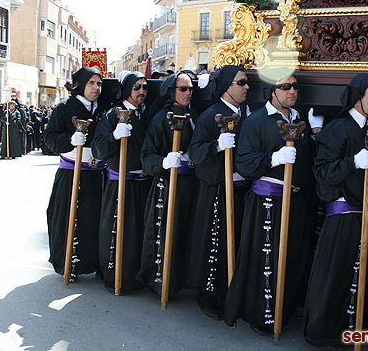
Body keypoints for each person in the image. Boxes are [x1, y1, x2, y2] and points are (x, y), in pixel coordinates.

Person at [223, 70, 316, 335]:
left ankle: (283, 313)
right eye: (285, 87)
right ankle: (261, 316)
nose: (292, 92)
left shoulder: (300, 120)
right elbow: (244, 162)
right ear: (271, 91)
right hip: (268, 203)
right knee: (266, 261)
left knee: (293, 259)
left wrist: (317, 133)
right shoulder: (256, 122)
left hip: (296, 200)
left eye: (295, 87)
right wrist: (275, 158)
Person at [303, 73, 368, 347]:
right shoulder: (338, 129)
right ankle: (324, 331)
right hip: (342, 217)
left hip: (366, 212)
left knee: (362, 274)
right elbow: (322, 172)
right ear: (357, 99)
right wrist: (353, 162)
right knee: (335, 277)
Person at [187, 65, 250, 320]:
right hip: (217, 190)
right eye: (241, 82)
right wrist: (216, 145)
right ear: (226, 87)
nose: (247, 87)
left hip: (242, 190)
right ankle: (209, 296)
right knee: (215, 244)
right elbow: (194, 152)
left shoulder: (246, 113)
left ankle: (232, 293)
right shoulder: (210, 115)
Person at [138, 72, 199, 300]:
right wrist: (164, 162)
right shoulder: (161, 118)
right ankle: (162, 282)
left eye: (190, 89)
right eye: (183, 89)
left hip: (190, 186)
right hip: (168, 183)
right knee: (166, 234)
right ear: (172, 91)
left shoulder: (193, 115)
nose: (188, 93)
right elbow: (146, 155)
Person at [93, 71, 153, 294]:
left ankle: (140, 277)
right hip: (122, 184)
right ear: (128, 89)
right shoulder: (113, 115)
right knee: (121, 233)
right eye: (136, 87)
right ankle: (118, 278)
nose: (141, 92)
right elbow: (99, 147)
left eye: (144, 87)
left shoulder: (147, 114)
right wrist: (115, 136)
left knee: (140, 233)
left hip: (144, 183)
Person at [43, 67, 107, 279]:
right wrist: (69, 141)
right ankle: (66, 263)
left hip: (97, 173)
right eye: (91, 83)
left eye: (99, 83)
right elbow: (49, 138)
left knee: (96, 220)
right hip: (71, 172)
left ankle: (95, 263)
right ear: (81, 84)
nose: (96, 88)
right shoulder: (64, 108)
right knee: (66, 218)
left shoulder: (104, 109)